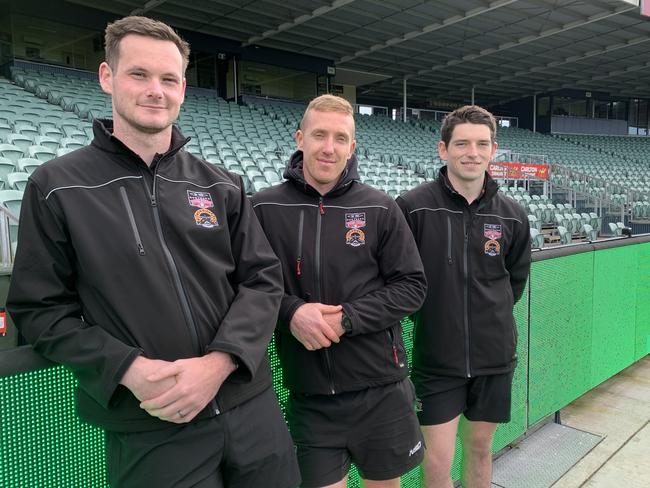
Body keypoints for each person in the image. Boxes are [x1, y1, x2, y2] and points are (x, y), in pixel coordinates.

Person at [7, 16, 300, 488]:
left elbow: (262, 280)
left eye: (168, 79)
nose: (155, 91)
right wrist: (127, 369)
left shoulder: (221, 183)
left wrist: (220, 362)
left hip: (251, 410)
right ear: (107, 77)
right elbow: (38, 311)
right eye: (138, 74)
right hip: (151, 422)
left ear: (183, 87)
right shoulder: (56, 187)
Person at [251, 94, 427, 488]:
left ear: (352, 147)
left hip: (381, 389)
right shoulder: (263, 208)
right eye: (319, 135)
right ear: (300, 138)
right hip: (311, 397)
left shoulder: (380, 208)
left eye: (340, 138)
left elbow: (412, 286)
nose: (328, 148)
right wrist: (291, 312)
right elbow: (247, 286)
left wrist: (348, 318)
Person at [396, 105, 531, 488]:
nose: (472, 152)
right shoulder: (412, 207)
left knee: (480, 448)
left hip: (494, 358)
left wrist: (489, 316)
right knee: (437, 459)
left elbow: (514, 282)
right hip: (437, 360)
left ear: (493, 150)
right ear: (443, 149)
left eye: (481, 144)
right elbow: (400, 279)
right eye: (462, 143)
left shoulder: (513, 216)